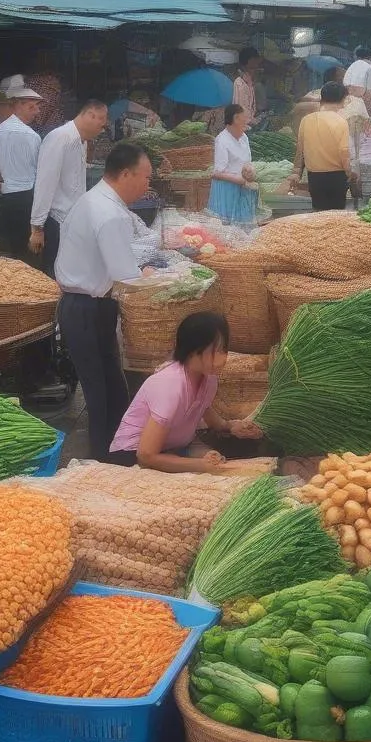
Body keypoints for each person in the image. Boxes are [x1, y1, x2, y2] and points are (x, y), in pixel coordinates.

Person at [55, 143, 153, 459]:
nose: (147, 185)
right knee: (99, 392)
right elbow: (126, 275)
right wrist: (158, 280)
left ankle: (118, 451)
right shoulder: (108, 213)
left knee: (111, 385)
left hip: (92, 304)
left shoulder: (94, 200)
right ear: (126, 174)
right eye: (146, 177)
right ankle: (103, 460)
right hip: (86, 308)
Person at [107, 312, 262, 470]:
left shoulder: (209, 379)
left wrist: (232, 426)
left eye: (224, 350)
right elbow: (146, 455)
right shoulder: (171, 385)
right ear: (194, 350)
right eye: (216, 350)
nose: (223, 358)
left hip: (174, 448)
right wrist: (199, 465)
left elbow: (206, 411)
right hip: (131, 455)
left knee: (223, 461)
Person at [29, 100, 109, 276]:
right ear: (90, 115)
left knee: (69, 272)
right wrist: (37, 227)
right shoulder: (59, 138)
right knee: (53, 272)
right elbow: (45, 183)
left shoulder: (82, 141)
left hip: (72, 219)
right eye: (101, 124)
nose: (101, 129)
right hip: (55, 220)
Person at [0, 78, 43, 261]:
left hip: (7, 197)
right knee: (27, 247)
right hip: (28, 197)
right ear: (20, 106)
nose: (37, 112)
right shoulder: (33, 137)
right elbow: (39, 169)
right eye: (33, 107)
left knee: (8, 248)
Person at [294, 81, 352, 211]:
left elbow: (300, 150)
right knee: (336, 217)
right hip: (336, 177)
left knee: (319, 215)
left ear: (322, 98)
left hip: (314, 177)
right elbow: (344, 152)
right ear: (342, 99)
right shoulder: (341, 122)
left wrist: (296, 172)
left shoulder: (306, 120)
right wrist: (350, 173)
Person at [207, 104, 259, 225]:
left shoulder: (244, 138)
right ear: (235, 119)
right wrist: (240, 180)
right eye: (244, 118)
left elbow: (247, 162)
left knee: (244, 226)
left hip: (243, 189)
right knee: (227, 228)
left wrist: (250, 171)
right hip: (227, 191)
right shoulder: (222, 140)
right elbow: (217, 173)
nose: (247, 121)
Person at [232, 47, 262, 127]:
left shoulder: (250, 80)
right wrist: (252, 121)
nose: (258, 63)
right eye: (255, 59)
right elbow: (240, 107)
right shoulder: (240, 83)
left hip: (250, 122)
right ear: (249, 61)